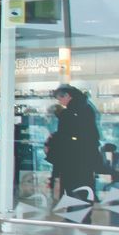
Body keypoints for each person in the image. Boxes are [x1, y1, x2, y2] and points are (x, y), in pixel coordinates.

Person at [45, 84, 102, 214]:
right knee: (84, 185)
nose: (60, 102)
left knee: (72, 185)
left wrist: (54, 143)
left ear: (67, 96)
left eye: (60, 98)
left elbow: (65, 136)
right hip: (85, 157)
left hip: (72, 157)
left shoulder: (70, 113)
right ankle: (83, 214)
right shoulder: (87, 108)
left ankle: (74, 214)